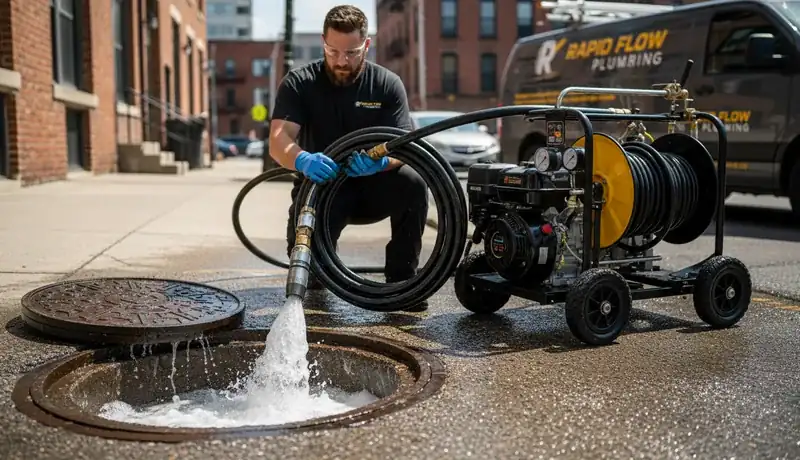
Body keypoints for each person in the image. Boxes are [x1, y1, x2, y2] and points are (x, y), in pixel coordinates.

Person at [268, 5, 430, 312]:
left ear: (367, 44)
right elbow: (278, 141)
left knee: (414, 182)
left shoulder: (386, 84)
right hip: (321, 188)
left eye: (352, 52)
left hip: (373, 186)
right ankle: (321, 268)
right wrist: (302, 160)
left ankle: (401, 279)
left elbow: (402, 146)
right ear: (323, 42)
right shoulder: (300, 83)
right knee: (312, 277)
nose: (342, 61)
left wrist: (381, 163)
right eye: (333, 51)